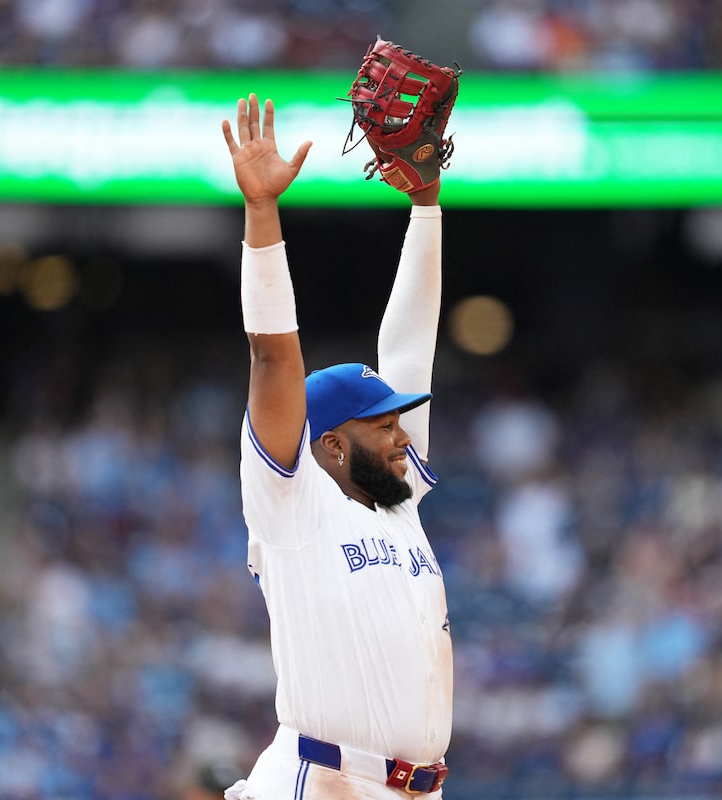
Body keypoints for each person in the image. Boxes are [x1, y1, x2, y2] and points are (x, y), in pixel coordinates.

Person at [220, 93, 452, 799]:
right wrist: (263, 216)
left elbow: (411, 346)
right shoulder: (292, 502)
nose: (399, 435)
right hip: (325, 781)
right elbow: (272, 359)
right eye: (380, 427)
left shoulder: (399, 505)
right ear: (329, 447)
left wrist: (426, 207)